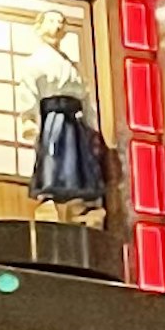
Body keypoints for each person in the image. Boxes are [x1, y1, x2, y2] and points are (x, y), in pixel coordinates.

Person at [28, 14, 109, 220]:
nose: (57, 26)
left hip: (73, 118)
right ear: (40, 27)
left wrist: (92, 125)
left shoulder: (71, 65)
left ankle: (77, 201)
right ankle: (50, 198)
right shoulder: (35, 62)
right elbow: (29, 93)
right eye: (52, 21)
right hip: (52, 117)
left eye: (60, 22)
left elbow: (85, 95)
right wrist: (29, 121)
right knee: (53, 156)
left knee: (77, 159)